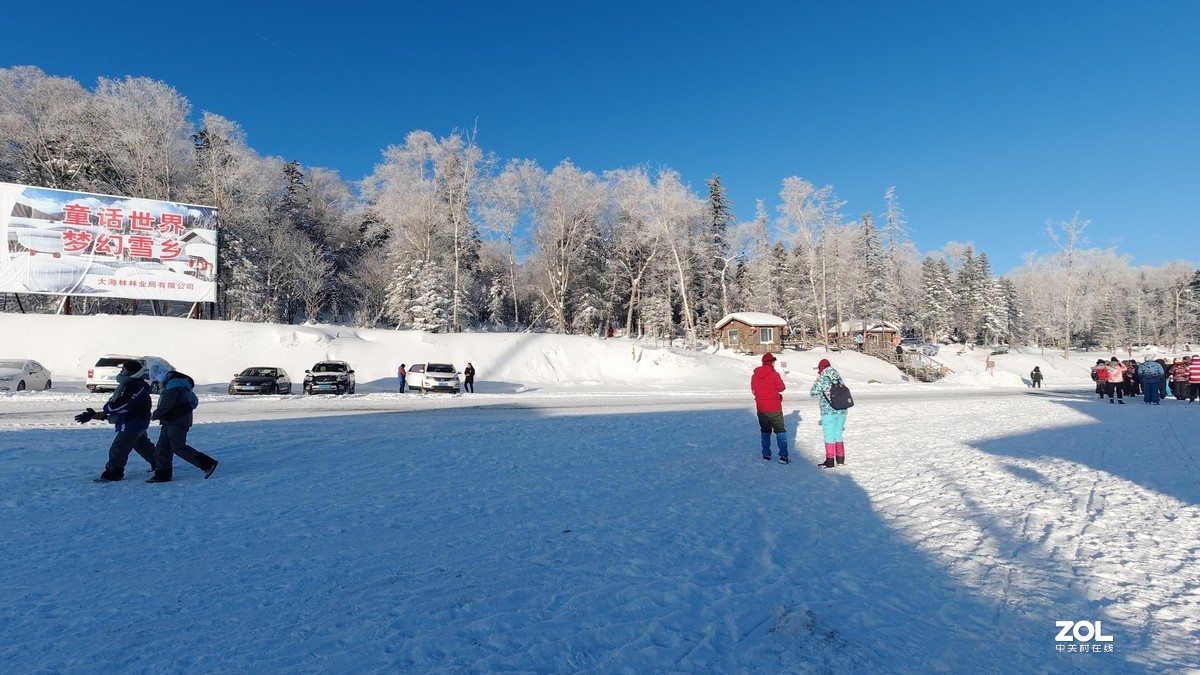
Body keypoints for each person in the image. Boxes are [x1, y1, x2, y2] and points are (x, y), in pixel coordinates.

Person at [75, 360, 156, 482]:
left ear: (132, 373)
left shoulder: (136, 386)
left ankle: (114, 472)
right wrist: (99, 415)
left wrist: (106, 411)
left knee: (119, 448)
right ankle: (160, 463)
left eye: (123, 370)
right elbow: (116, 404)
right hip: (132, 422)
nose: (120, 372)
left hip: (134, 422)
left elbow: (124, 405)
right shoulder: (127, 386)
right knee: (142, 445)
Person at [148, 371, 219, 483]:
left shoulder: (172, 387)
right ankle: (162, 474)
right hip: (172, 421)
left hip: (175, 422)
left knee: (178, 447)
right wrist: (185, 408)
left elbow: (166, 406)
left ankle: (207, 464)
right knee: (162, 448)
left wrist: (154, 415)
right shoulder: (183, 386)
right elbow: (194, 401)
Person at [810, 358, 848, 468]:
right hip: (842, 410)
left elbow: (813, 393)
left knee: (829, 436)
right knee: (838, 434)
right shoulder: (837, 376)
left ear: (821, 369)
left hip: (828, 411)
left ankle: (830, 460)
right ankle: (840, 459)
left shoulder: (822, 378)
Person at [751, 352, 788, 464]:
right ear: (771, 363)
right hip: (775, 407)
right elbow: (782, 388)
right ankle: (783, 456)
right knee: (780, 431)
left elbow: (753, 391)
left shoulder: (754, 375)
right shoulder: (774, 375)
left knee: (765, 432)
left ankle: (766, 454)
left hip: (761, 408)